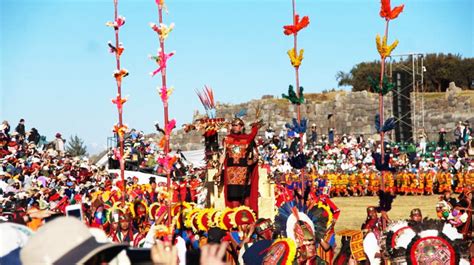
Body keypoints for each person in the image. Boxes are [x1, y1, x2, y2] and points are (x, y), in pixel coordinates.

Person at [217, 118, 262, 215]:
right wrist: (219, 169)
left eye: (236, 125)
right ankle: (235, 220)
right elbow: (223, 155)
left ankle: (246, 220)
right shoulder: (227, 139)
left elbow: (256, 155)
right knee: (234, 197)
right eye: (233, 125)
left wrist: (252, 161)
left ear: (241, 127)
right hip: (231, 172)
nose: (234, 127)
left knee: (246, 197)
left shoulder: (248, 139)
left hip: (244, 171)